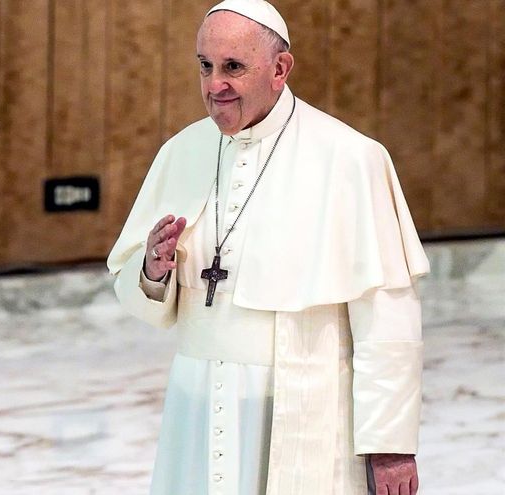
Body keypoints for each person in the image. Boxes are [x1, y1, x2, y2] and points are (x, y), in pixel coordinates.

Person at [106, 1, 430, 494]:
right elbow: (137, 295)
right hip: (196, 406)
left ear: (280, 69)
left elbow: (387, 319)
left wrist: (390, 446)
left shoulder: (350, 158)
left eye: (233, 67)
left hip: (301, 411)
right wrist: (151, 271)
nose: (216, 85)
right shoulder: (182, 151)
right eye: (205, 66)